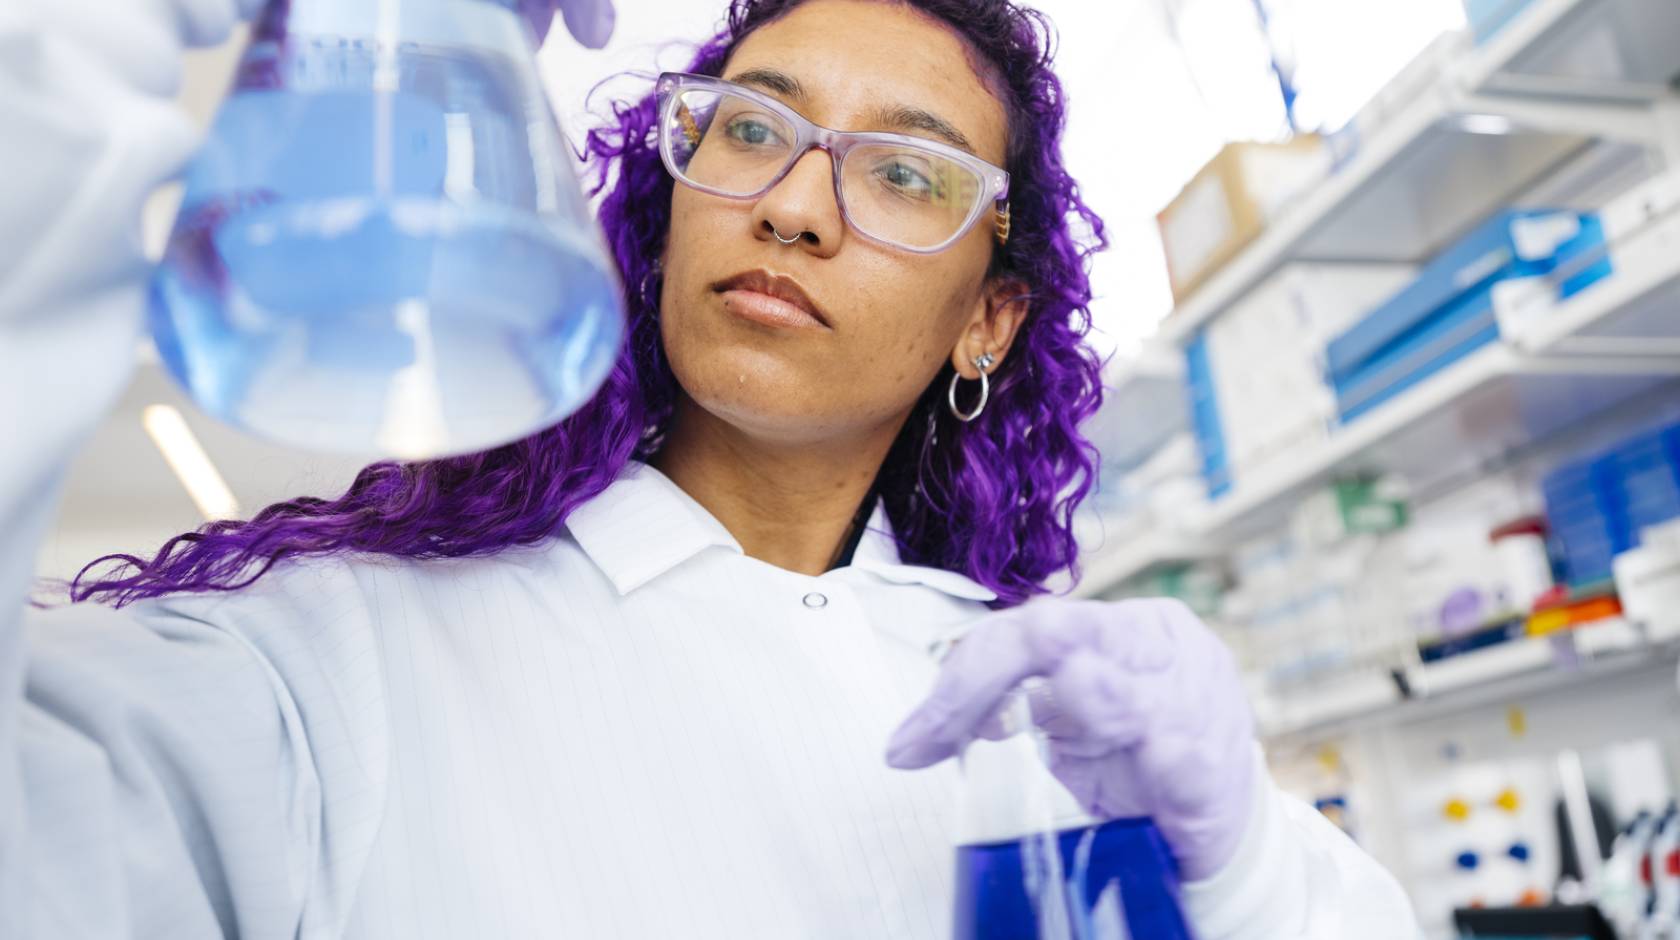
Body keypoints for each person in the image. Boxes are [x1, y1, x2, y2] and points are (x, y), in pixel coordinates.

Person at [0, 0, 1423, 936]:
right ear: (667, 211)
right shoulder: (334, 663)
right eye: (752, 129)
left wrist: (1238, 859)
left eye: (903, 172)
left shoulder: (1043, 724)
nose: (797, 205)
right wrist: (55, 69)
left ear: (988, 320)